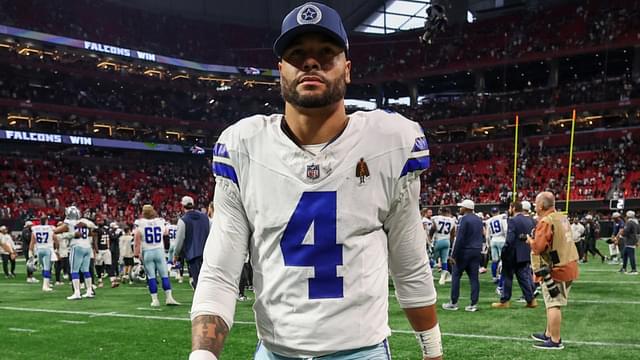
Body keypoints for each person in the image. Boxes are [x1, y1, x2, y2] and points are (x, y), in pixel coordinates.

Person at [189, 3, 442, 360]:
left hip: (361, 350)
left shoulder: (388, 141)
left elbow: (409, 260)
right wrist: (202, 356)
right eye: (297, 54)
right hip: (276, 350)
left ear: (347, 69)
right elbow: (220, 269)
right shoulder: (244, 146)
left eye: (326, 53)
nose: (311, 63)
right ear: (280, 70)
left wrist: (432, 352)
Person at [527, 191, 579, 350]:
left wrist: (529, 240)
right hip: (569, 262)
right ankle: (549, 333)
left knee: (553, 304)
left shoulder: (546, 221)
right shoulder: (561, 217)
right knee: (552, 302)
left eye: (536, 203)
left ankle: (555, 340)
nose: (535, 206)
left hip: (557, 268)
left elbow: (538, 247)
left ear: (541, 205)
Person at [491, 201, 537, 309]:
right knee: (523, 278)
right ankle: (531, 300)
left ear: (513, 208)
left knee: (507, 277)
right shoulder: (531, 220)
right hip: (525, 252)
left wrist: (504, 251)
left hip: (513, 254)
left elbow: (510, 239)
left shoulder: (512, 221)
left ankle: (505, 300)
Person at [134, 204, 180, 306]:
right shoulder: (160, 221)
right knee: (164, 275)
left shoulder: (140, 223)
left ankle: (155, 300)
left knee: (151, 276)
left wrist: (136, 255)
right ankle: (169, 297)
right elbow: (166, 232)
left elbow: (137, 239)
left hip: (147, 251)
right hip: (159, 251)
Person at [443, 199, 484, 312]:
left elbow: (459, 238)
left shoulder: (463, 219)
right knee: (474, 278)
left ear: (466, 208)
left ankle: (453, 302)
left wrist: (453, 255)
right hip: (476, 251)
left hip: (464, 251)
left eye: (461, 207)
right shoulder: (479, 219)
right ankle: (473, 304)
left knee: (456, 276)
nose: (459, 209)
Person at [55, 206, 97, 300]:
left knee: (74, 270)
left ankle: (77, 292)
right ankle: (89, 291)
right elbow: (94, 231)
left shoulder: (69, 223)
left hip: (77, 247)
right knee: (86, 270)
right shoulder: (86, 222)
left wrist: (68, 235)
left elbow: (56, 231)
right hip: (87, 247)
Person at [174, 195, 209, 290]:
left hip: (192, 254)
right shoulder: (205, 217)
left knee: (198, 281)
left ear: (182, 206)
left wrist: (176, 254)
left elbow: (179, 240)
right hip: (207, 252)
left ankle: (202, 302)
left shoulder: (183, 220)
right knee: (208, 280)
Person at [30, 216, 59, 292]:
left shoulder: (35, 228)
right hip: (47, 249)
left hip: (39, 249)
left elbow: (32, 242)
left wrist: (30, 253)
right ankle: (45, 286)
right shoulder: (50, 228)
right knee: (47, 267)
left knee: (44, 267)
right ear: (46, 221)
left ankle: (47, 283)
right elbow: (55, 239)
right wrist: (57, 249)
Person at [430, 207, 456, 285]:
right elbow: (453, 234)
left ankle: (429, 275)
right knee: (444, 260)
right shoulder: (452, 220)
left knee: (433, 259)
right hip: (446, 241)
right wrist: (450, 242)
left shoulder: (436, 218)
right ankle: (442, 279)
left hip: (438, 240)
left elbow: (433, 229)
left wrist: (430, 239)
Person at [486, 207, 508, 283]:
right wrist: (507, 239)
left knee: (494, 260)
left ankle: (494, 277)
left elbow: (487, 235)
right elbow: (505, 229)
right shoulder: (502, 217)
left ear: (491, 213)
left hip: (493, 240)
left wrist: (488, 244)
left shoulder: (489, 220)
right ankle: (501, 276)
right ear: (498, 212)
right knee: (503, 260)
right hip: (501, 239)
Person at [619, 210, 638, 275]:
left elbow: (627, 231)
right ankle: (624, 268)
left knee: (631, 255)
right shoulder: (635, 222)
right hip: (631, 240)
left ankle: (634, 269)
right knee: (625, 254)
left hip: (630, 241)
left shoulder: (629, 223)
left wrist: (622, 234)